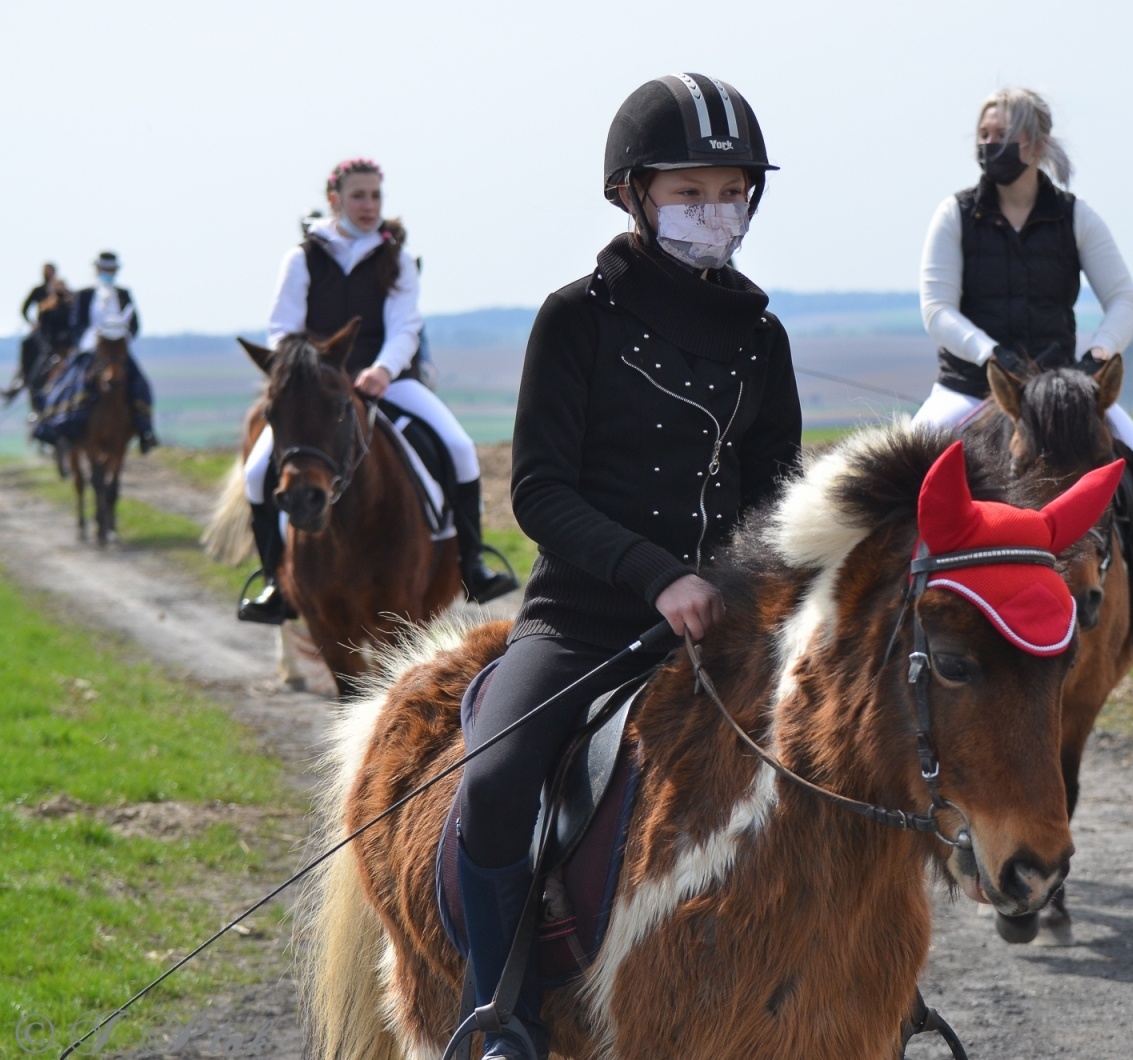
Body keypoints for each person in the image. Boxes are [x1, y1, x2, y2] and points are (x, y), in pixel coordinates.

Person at [453, 73, 800, 1059]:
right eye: (690, 193)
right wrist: (658, 575)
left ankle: (854, 982)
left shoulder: (761, 338)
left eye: (730, 191)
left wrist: (773, 578)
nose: (713, 211)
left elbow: (774, 489)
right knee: (494, 781)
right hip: (586, 620)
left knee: (849, 755)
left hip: (723, 625)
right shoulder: (575, 320)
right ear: (635, 196)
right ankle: (502, 1015)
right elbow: (540, 493)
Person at [912, 87, 1133, 681]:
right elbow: (936, 308)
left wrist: (1099, 354)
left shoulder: (1074, 216)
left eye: (1003, 135)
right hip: (973, 388)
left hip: (1062, 395)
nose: (989, 145)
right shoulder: (955, 214)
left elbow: (1122, 298)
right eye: (984, 134)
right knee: (899, 478)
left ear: (1037, 144)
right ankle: (883, 627)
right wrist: (989, 352)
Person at [238, 158, 518, 623]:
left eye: (375, 196)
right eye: (358, 196)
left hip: (385, 381)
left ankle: (472, 564)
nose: (368, 206)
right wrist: (307, 372)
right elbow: (282, 328)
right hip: (318, 388)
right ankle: (274, 581)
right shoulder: (302, 257)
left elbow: (406, 326)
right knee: (254, 474)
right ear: (335, 201)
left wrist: (383, 370)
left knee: (460, 448)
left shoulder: (397, 257)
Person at [69, 252, 158, 452]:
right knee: (73, 381)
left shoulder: (123, 293)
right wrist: (91, 337)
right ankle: (68, 425)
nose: (108, 273)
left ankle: (145, 429)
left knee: (140, 383)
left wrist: (122, 334)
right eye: (104, 269)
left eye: (111, 270)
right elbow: (75, 323)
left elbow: (134, 324)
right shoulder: (85, 294)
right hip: (92, 349)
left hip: (118, 349)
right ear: (97, 270)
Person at [8, 263, 74, 406]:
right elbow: (25, 309)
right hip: (48, 340)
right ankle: (21, 380)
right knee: (29, 346)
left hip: (69, 345)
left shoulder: (73, 307)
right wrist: (32, 323)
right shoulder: (40, 296)